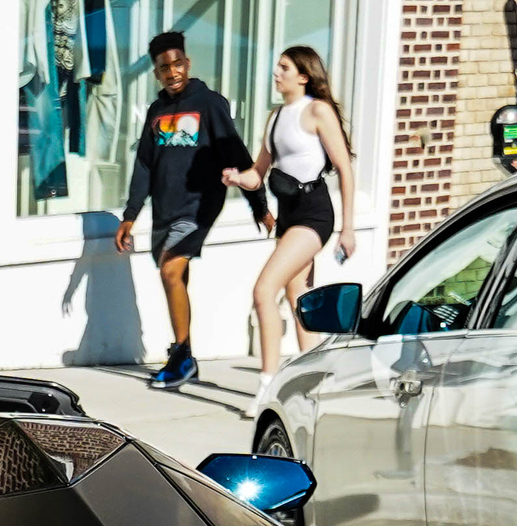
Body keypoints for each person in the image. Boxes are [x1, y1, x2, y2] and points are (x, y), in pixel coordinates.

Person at [111, 32, 265, 390]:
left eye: (177, 64)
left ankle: (181, 356)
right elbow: (144, 166)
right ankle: (186, 354)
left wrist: (259, 203)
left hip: (199, 205)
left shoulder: (209, 103)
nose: (172, 72)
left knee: (170, 270)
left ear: (188, 63)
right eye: (164, 68)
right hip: (165, 208)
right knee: (175, 278)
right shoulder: (156, 111)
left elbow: (235, 153)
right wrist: (130, 216)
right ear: (156, 73)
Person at [223, 46, 357, 404]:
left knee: (264, 290)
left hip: (315, 214)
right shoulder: (275, 117)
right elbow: (258, 174)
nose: (276, 72)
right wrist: (238, 179)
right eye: (277, 66)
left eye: (284, 67)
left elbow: (344, 168)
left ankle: (268, 386)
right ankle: (313, 384)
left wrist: (348, 227)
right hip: (289, 215)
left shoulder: (317, 111)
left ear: (303, 75)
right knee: (299, 299)